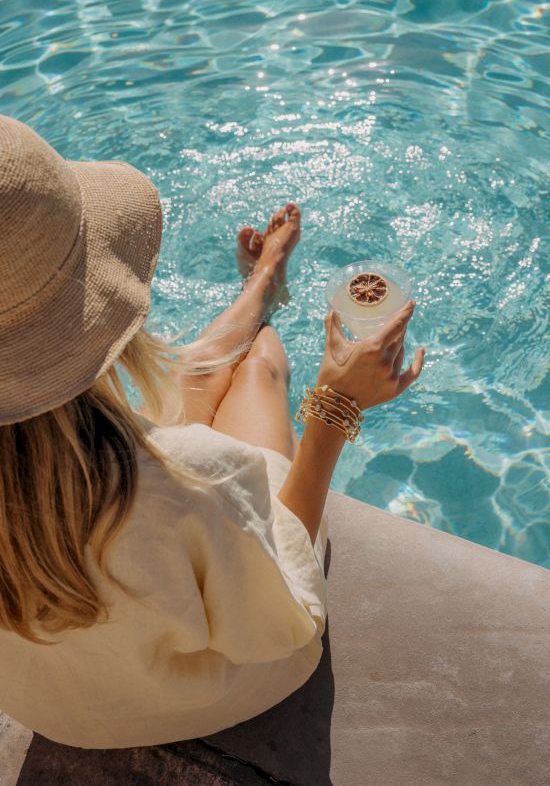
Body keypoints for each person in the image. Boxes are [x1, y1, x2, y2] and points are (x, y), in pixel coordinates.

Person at [0, 114, 424, 749]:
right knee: (257, 371)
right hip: (197, 695)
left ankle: (258, 289)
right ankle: (263, 304)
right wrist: (336, 407)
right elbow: (281, 614)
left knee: (194, 376)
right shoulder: (192, 481)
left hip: (58, 710)